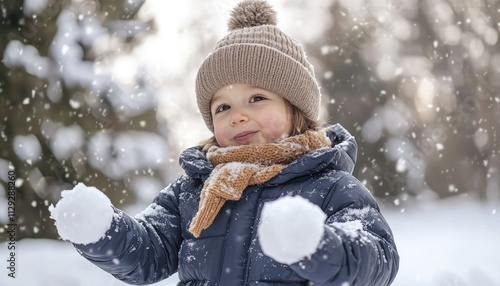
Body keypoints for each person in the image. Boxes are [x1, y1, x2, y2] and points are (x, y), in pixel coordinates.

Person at [49, 0, 399, 285]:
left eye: (257, 98)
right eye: (223, 107)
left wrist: (316, 246)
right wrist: (101, 230)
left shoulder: (331, 185)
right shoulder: (194, 190)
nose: (237, 116)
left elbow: (377, 258)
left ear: (297, 110)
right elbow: (149, 254)